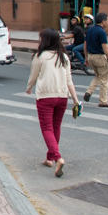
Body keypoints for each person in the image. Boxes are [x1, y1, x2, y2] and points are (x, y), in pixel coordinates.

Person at [25, 28, 81, 177]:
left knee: (47, 128)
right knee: (56, 127)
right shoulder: (64, 56)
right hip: (62, 96)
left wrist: (29, 87)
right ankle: (50, 158)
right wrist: (75, 100)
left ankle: (57, 157)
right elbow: (69, 81)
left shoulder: (41, 56)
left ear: (45, 40)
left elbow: (34, 75)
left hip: (45, 97)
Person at [83, 12, 108, 107]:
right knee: (105, 80)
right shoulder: (101, 32)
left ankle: (89, 92)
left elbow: (85, 45)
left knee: (98, 76)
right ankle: (103, 101)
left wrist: (86, 57)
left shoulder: (90, 30)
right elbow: (105, 48)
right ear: (103, 21)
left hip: (91, 56)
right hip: (100, 57)